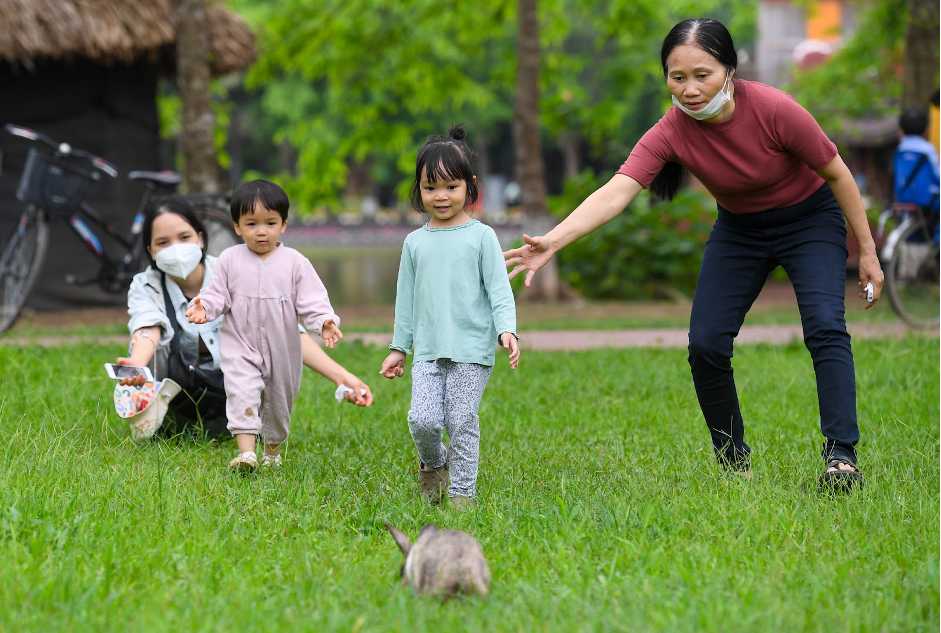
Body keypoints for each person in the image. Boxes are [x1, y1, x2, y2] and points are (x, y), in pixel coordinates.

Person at [503, 18, 884, 490]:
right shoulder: (672, 130)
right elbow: (616, 192)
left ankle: (840, 455)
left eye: (701, 75)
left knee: (825, 326)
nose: (689, 89)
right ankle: (733, 462)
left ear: (729, 69)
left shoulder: (774, 109)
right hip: (740, 229)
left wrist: (866, 250)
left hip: (809, 221)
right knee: (705, 343)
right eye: (676, 77)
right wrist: (552, 243)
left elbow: (839, 174)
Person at [114, 195, 372, 445]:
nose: (176, 249)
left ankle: (246, 428)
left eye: (184, 237)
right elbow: (148, 326)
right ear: (151, 250)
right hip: (177, 397)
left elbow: (284, 331)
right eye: (163, 243)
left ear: (201, 239)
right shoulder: (145, 285)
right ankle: (166, 424)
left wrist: (341, 376)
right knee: (152, 350)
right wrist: (136, 363)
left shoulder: (233, 269)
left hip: (234, 385)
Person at [379, 125, 520, 511]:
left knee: (461, 420)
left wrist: (507, 328)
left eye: (450, 186)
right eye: (430, 187)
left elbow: (498, 289)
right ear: (419, 190)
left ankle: (461, 493)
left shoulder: (482, 236)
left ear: (469, 187)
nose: (440, 196)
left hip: (471, 350)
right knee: (422, 420)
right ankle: (435, 462)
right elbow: (405, 300)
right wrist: (398, 348)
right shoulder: (414, 243)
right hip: (427, 350)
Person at [186, 180, 345, 472]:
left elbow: (312, 300)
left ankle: (272, 453)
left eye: (270, 223)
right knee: (241, 392)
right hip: (241, 346)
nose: (261, 231)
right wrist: (203, 306)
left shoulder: (295, 263)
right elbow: (217, 293)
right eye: (252, 223)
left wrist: (324, 321)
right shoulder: (229, 260)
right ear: (237, 227)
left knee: (279, 400)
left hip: (282, 349)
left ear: (283, 225)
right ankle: (246, 454)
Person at [895, 105, 941, 210]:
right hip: (928, 200)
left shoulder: (900, 150)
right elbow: (937, 175)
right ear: (927, 129)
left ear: (901, 131)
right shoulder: (928, 149)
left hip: (903, 198)